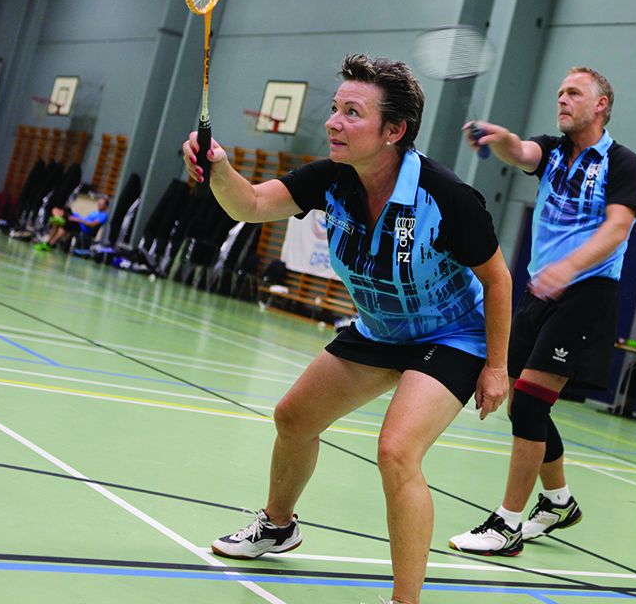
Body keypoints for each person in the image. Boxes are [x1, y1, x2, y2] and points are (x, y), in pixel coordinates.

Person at [186, 55, 511, 604]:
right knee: (293, 418)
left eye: (352, 113)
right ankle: (278, 526)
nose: (334, 122)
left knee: (397, 451)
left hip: (451, 334)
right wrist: (217, 165)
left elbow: (498, 279)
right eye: (336, 109)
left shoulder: (444, 195)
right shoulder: (331, 179)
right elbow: (251, 204)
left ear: (393, 131)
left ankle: (404, 600)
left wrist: (497, 367)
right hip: (380, 329)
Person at [450, 66, 636, 556]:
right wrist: (498, 138)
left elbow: (618, 227)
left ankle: (507, 525)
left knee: (531, 404)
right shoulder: (553, 150)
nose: (562, 99)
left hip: (586, 292)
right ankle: (559, 502)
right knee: (522, 401)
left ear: (601, 104)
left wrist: (569, 267)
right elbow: (521, 152)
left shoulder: (621, 162)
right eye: (559, 92)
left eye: (573, 93)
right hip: (541, 292)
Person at [37, 196, 109, 251]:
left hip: (83, 228)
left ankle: (49, 243)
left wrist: (79, 220)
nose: (100, 205)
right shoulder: (94, 212)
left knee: (64, 225)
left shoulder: (104, 215)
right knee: (58, 210)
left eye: (102, 204)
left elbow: (93, 224)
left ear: (106, 206)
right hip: (78, 220)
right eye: (99, 203)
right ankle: (58, 219)